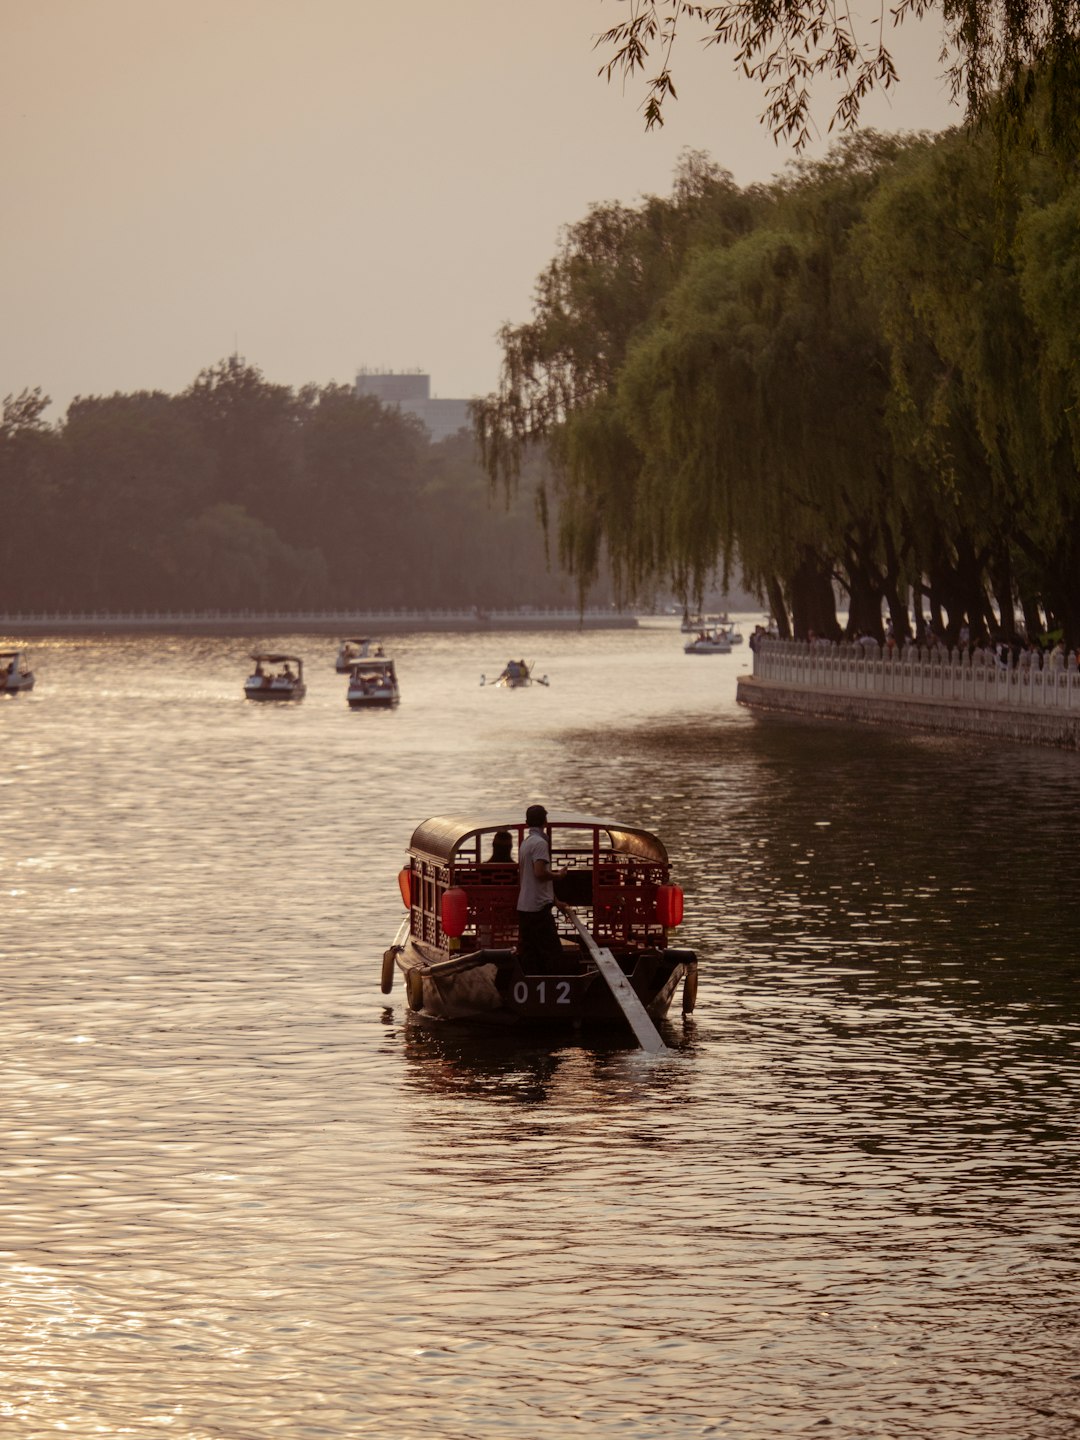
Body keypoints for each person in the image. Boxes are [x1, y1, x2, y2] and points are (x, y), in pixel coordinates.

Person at [517, 804, 567, 974]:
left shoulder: (525, 843)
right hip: (538, 909)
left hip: (525, 907)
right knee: (552, 953)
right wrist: (558, 876)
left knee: (530, 954)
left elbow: (531, 878)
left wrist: (556, 901)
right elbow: (539, 873)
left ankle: (530, 987)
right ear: (545, 821)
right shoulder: (539, 843)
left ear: (526, 823)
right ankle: (554, 988)